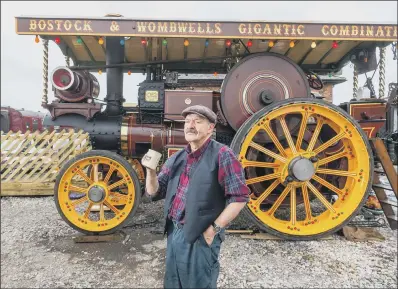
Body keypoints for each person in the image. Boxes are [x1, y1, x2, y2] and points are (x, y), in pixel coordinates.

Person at [145, 104, 250, 289]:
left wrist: (213, 231)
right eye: (187, 121)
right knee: (173, 283)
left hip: (201, 236)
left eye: (197, 121)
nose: (190, 125)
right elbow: (154, 192)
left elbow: (239, 197)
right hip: (174, 232)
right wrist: (151, 172)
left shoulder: (223, 155)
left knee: (199, 284)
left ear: (210, 128)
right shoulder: (177, 158)